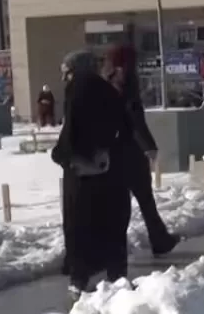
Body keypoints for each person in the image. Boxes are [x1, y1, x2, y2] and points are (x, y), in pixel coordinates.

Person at [52, 49, 131, 293]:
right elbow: (125, 126)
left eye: (66, 72)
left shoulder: (77, 88)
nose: (64, 78)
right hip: (112, 168)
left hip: (82, 171)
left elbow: (73, 129)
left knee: (79, 225)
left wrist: (62, 154)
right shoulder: (109, 90)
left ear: (76, 71)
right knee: (111, 224)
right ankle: (117, 276)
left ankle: (80, 278)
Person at [110, 44, 180, 257]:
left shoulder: (108, 79)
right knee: (144, 199)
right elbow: (134, 116)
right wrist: (148, 145)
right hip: (131, 150)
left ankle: (116, 248)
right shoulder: (126, 80)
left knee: (119, 204)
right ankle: (159, 240)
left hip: (115, 150)